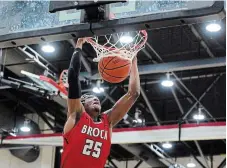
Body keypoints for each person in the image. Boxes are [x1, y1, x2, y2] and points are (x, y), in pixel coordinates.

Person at [61, 38, 140, 168]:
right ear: (81, 103)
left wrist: (134, 61)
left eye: (96, 98)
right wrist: (79, 46)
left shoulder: (107, 121)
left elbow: (134, 94)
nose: (95, 98)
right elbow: (73, 76)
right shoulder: (77, 115)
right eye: (90, 97)